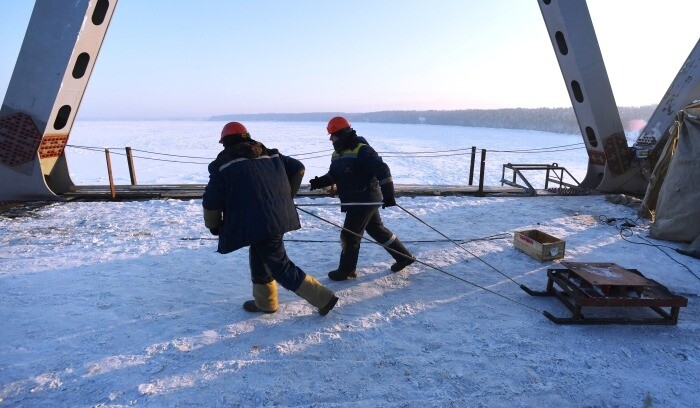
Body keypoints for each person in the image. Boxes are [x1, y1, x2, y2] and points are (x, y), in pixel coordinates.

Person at [202, 121, 338, 315]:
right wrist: (285, 197)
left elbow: (211, 201)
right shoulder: (270, 153)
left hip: (258, 221)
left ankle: (323, 298)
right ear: (247, 137)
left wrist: (213, 226)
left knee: (279, 265)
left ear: (225, 143)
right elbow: (298, 168)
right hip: (274, 217)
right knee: (259, 256)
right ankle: (266, 302)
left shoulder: (223, 165)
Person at [309, 116, 415, 281]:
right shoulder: (337, 153)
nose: (330, 138)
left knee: (349, 235)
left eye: (333, 135)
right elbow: (334, 174)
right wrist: (320, 181)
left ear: (342, 133)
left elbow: (382, 169)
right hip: (356, 200)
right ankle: (404, 257)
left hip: (364, 199)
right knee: (377, 230)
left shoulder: (362, 149)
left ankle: (347, 270)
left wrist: (389, 193)